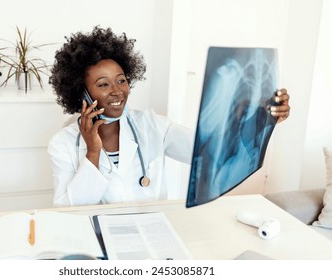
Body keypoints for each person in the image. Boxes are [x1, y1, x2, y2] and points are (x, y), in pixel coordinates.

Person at [48, 26, 291, 207]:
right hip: (98, 242)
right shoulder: (63, 143)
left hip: (153, 235)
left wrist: (258, 116)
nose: (117, 91)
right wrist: (92, 151)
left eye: (121, 80)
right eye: (103, 84)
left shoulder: (152, 125)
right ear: (82, 93)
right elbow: (68, 210)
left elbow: (208, 151)